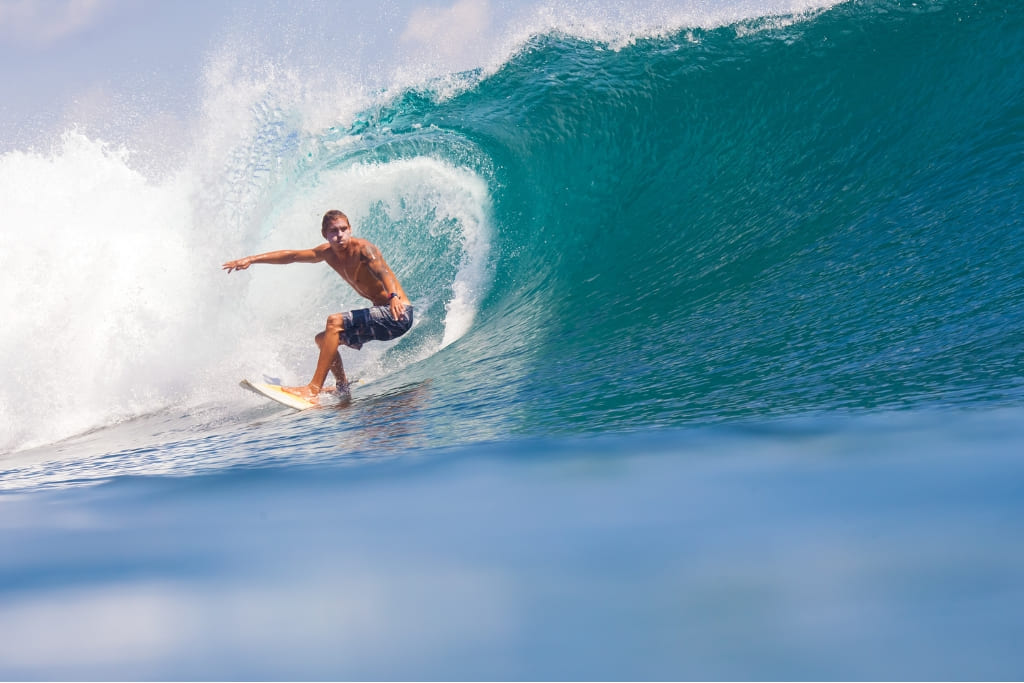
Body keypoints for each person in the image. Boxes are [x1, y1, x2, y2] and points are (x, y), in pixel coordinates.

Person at [223, 209, 412, 402]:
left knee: (334, 321)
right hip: (383, 319)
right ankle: (342, 387)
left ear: (350, 229)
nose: (339, 235)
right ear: (325, 234)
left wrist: (394, 297)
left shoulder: (364, 250)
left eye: (343, 229)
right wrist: (251, 259)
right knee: (324, 339)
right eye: (333, 231)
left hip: (398, 314)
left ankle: (312, 389)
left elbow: (383, 273)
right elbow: (292, 256)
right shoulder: (327, 253)